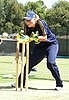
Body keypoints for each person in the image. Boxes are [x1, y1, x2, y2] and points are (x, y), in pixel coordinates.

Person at [18, 10, 63, 90]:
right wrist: (21, 37)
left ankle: (59, 83)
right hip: (40, 47)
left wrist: (32, 38)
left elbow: (45, 38)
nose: (27, 22)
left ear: (35, 19)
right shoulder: (26, 25)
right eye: (26, 20)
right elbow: (25, 36)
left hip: (51, 44)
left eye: (29, 20)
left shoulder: (41, 23)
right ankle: (20, 82)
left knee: (50, 63)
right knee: (29, 64)